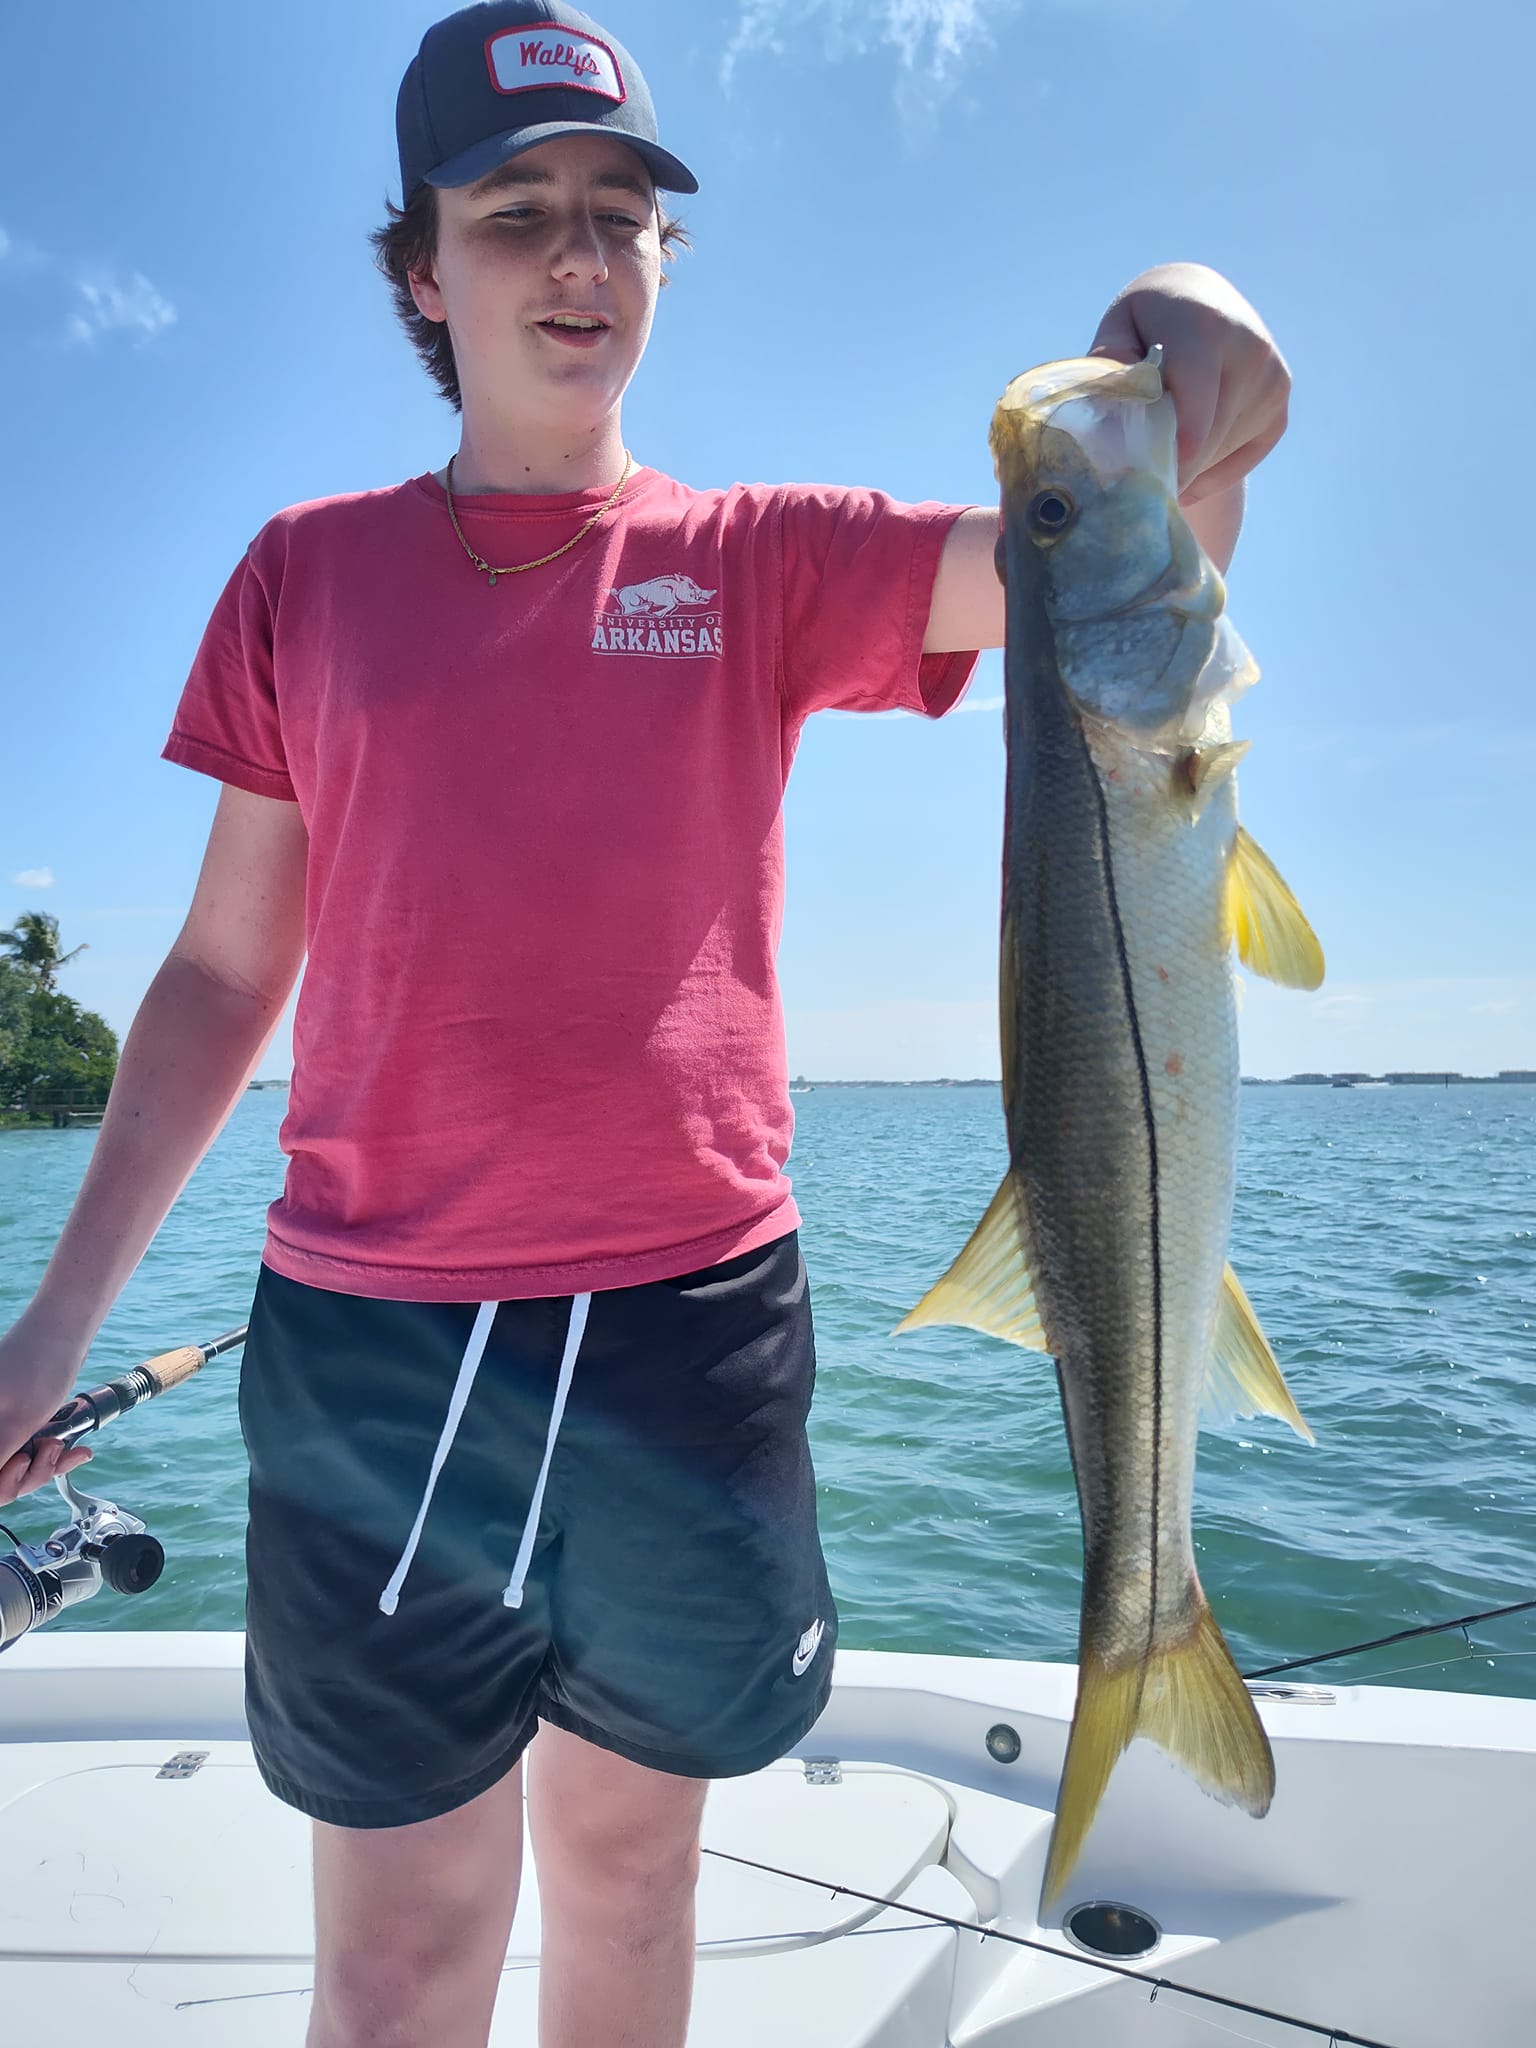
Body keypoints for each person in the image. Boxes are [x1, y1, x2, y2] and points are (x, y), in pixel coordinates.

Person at [0, 3, 1290, 2043]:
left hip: (693, 1327)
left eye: (621, 210)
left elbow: (1117, 588)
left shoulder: (765, 559)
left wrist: (1201, 351)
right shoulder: (299, 579)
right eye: (515, 214)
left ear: (670, 257)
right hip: (373, 1354)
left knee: (628, 1887)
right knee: (405, 1955)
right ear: (421, 269)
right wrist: (46, 1332)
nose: (577, 254)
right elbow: (224, 978)